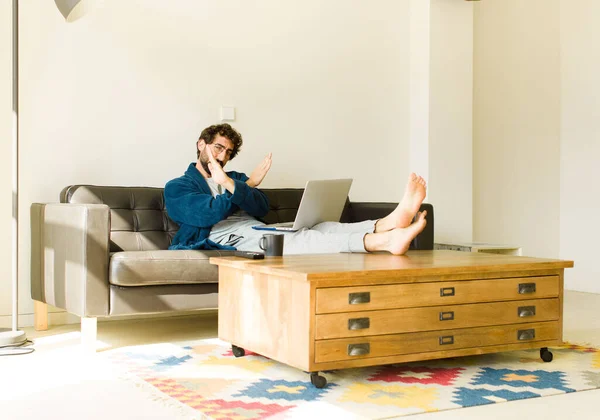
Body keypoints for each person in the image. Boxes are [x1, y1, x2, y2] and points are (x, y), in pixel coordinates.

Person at [164, 123, 427, 255]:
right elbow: (206, 215)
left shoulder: (235, 178)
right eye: (218, 148)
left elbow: (261, 207)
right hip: (220, 238)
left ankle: (387, 222)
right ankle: (382, 241)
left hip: (252, 228)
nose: (222, 157)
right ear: (201, 145)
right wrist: (246, 185)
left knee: (320, 227)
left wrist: (233, 183)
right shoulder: (178, 186)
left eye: (228, 152)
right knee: (298, 240)